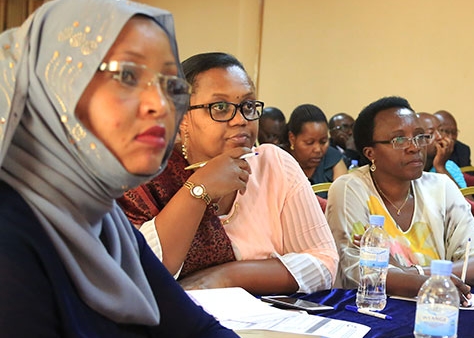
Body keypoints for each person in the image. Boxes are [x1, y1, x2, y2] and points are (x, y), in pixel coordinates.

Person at [0, 0, 342, 338]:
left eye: (168, 85)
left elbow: (192, 334)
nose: (160, 104)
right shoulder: (12, 241)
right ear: (48, 91)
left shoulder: (97, 219)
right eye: (127, 76)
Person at [118, 53, 337, 294]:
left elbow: (324, 262)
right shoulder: (148, 176)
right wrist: (200, 188)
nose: (240, 120)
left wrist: (225, 277)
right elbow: (139, 272)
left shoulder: (274, 164)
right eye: (220, 107)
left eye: (248, 105)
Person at [325, 97, 474, 301]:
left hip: (436, 307)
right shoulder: (350, 189)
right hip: (372, 308)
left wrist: (410, 273)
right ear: (370, 153)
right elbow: (357, 271)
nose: (414, 147)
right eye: (399, 140)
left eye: (419, 136)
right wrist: (434, 279)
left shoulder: (441, 187)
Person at [287, 104, 348, 186]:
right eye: (309, 142)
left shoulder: (332, 157)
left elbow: (342, 191)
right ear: (292, 139)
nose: (318, 149)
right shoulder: (279, 160)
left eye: (323, 142)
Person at [418, 111, 467, 188]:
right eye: (430, 134)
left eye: (440, 131)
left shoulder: (449, 166)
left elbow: (463, 196)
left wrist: (440, 167)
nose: (440, 137)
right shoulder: (408, 168)